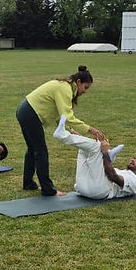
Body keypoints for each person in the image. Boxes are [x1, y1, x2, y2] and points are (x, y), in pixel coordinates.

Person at [15, 65, 104, 196]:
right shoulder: (65, 89)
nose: (85, 91)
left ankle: (28, 183)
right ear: (79, 82)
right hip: (30, 114)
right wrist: (90, 129)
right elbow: (67, 116)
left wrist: (71, 130)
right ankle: (48, 189)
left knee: (33, 149)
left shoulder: (65, 87)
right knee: (41, 152)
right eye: (85, 87)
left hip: (24, 111)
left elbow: (60, 115)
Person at [52, 115, 136, 199]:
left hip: (99, 192)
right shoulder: (123, 172)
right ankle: (108, 154)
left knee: (96, 146)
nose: (133, 160)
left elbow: (112, 176)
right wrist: (80, 138)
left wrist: (105, 152)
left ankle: (62, 135)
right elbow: (98, 169)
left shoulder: (134, 181)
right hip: (82, 187)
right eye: (134, 158)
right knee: (84, 149)